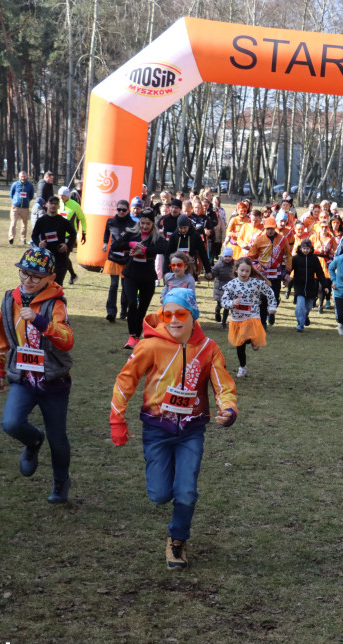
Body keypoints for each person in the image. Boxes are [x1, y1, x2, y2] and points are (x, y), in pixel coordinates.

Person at [109, 288, 237, 570]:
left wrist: (228, 408)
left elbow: (223, 384)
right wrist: (117, 419)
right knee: (158, 495)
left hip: (191, 431)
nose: (174, 320)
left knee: (187, 491)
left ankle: (177, 540)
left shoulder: (208, 348)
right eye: (168, 314)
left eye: (181, 314)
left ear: (193, 315)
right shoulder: (150, 345)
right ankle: (166, 496)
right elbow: (125, 381)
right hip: (157, 431)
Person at [0, 246, 75, 504]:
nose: (28, 280)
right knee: (11, 423)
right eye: (24, 273)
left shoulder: (56, 303)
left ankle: (61, 482)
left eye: (35, 276)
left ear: (50, 278)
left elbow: (67, 340)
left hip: (54, 381)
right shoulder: (10, 300)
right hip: (24, 378)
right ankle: (33, 441)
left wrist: (40, 321)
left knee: (58, 439)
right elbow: (1, 335)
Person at [115, 208, 166, 349]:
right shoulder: (132, 233)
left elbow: (165, 249)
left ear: (153, 225)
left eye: (147, 224)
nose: (144, 226)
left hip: (148, 277)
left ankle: (137, 335)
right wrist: (130, 244)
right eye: (142, 223)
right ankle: (132, 336)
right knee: (131, 304)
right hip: (131, 274)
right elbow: (115, 245)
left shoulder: (156, 237)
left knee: (142, 307)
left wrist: (145, 250)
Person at [220, 257, 276, 377]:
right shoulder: (231, 285)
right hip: (237, 318)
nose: (244, 273)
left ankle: (253, 339)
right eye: (242, 270)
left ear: (251, 271)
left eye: (247, 271)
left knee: (245, 335)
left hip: (252, 316)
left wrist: (272, 307)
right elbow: (223, 302)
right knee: (239, 345)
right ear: (236, 270)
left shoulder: (255, 283)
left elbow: (270, 292)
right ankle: (242, 367)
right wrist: (232, 303)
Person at [247, 217, 291, 326]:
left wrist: (288, 271)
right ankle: (263, 323)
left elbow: (288, 255)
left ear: (275, 227)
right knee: (262, 298)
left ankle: (271, 313)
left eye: (271, 228)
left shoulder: (283, 239)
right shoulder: (259, 239)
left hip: (277, 273)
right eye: (267, 228)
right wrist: (250, 267)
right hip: (263, 273)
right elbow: (251, 255)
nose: (269, 231)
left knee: (275, 297)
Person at [101, 199, 137, 322]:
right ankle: (111, 312)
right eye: (119, 209)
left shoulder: (132, 224)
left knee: (125, 286)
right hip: (113, 257)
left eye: (124, 210)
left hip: (126, 258)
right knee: (113, 285)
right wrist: (105, 243)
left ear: (128, 210)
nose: (121, 212)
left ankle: (123, 311)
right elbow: (106, 232)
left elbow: (135, 239)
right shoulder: (111, 221)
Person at [286, 238, 330, 332]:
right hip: (299, 286)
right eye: (304, 248)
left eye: (307, 248)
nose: (305, 250)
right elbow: (289, 269)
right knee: (300, 305)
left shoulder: (314, 259)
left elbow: (320, 273)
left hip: (311, 286)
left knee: (309, 306)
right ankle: (300, 324)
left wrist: (325, 286)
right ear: (300, 248)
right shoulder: (296, 258)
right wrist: (285, 276)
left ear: (311, 249)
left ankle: (305, 316)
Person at [31, 196, 78, 283]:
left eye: (56, 203)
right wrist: (39, 243)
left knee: (57, 285)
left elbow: (73, 233)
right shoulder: (41, 221)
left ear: (58, 206)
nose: (53, 205)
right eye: (51, 203)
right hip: (45, 257)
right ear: (47, 205)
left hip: (60, 258)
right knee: (44, 285)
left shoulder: (63, 221)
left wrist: (67, 245)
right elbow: (34, 236)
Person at [57, 186, 87, 285]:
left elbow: (82, 219)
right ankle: (73, 275)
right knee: (61, 257)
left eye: (63, 196)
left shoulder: (75, 205)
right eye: (60, 196)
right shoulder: (57, 204)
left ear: (68, 195)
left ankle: (60, 282)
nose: (61, 198)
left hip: (70, 236)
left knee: (64, 257)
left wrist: (84, 233)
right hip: (58, 234)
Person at [210, 246, 236, 328]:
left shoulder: (235, 265)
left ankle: (224, 322)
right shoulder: (218, 265)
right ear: (223, 256)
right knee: (220, 305)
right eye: (226, 256)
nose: (228, 258)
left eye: (229, 256)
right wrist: (210, 275)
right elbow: (213, 273)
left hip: (230, 288)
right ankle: (217, 312)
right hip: (220, 287)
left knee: (227, 306)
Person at [8, 171, 35, 245]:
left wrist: (26, 201)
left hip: (25, 208)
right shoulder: (15, 184)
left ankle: (23, 239)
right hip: (15, 207)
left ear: (27, 176)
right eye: (21, 176)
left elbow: (31, 196)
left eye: (24, 176)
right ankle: (11, 237)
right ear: (19, 177)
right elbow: (11, 194)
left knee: (24, 224)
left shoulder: (30, 185)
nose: (23, 177)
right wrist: (16, 200)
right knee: (13, 223)